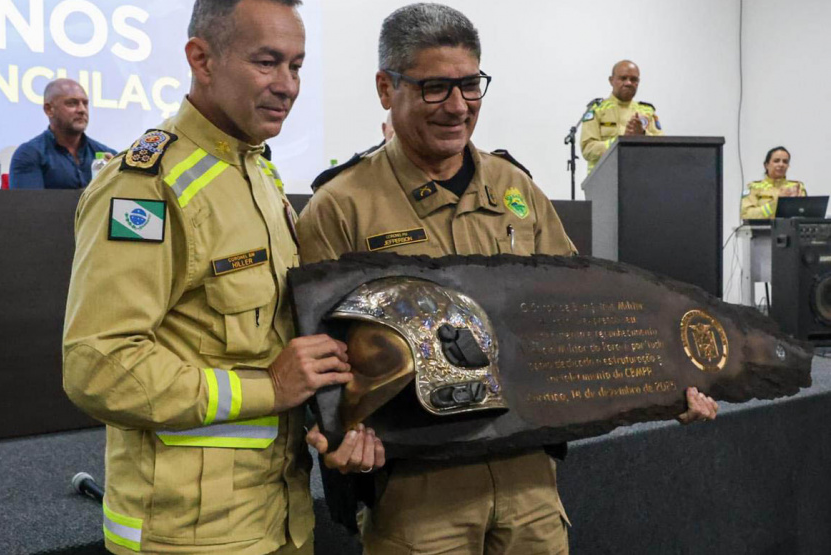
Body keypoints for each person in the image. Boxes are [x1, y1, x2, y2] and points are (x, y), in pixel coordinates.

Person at [297, 5, 718, 554]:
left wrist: (667, 382)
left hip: (529, 482)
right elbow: (315, 354)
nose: (458, 107)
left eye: (471, 85)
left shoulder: (516, 188)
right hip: (417, 493)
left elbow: (582, 311)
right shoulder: (341, 207)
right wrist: (333, 434)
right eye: (434, 88)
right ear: (385, 88)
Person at [62, 1, 382, 553]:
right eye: (267, 62)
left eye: (297, 66)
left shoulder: (258, 173)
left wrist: (333, 417)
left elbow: (279, 342)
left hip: (278, 514)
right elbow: (99, 364)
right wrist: (268, 388)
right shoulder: (144, 187)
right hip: (188, 533)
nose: (287, 85)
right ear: (201, 59)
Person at [10, 78, 116, 189]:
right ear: (49, 109)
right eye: (72, 103)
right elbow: (28, 204)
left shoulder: (108, 156)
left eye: (85, 103)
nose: (82, 110)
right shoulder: (29, 155)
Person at [580, 60, 664, 173]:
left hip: (641, 176)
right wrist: (621, 141)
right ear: (611, 80)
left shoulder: (647, 111)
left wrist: (642, 135)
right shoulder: (596, 109)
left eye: (634, 79)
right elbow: (588, 149)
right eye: (623, 78)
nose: (628, 83)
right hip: (604, 179)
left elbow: (662, 147)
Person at [741, 146, 806, 219]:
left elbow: (804, 214)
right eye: (776, 161)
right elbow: (747, 215)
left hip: (790, 229)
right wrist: (778, 202)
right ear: (766, 165)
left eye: (785, 162)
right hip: (763, 229)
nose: (781, 165)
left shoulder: (796, 187)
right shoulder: (753, 187)